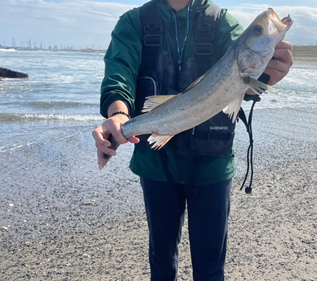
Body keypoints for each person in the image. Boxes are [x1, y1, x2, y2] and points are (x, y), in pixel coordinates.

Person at [92, 0, 293, 279]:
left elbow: (244, 85)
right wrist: (118, 114)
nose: (264, 31)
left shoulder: (224, 23)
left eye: (258, 31)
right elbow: (119, 72)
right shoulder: (134, 22)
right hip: (155, 165)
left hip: (213, 164)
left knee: (210, 266)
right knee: (161, 261)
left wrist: (269, 73)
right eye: (259, 30)